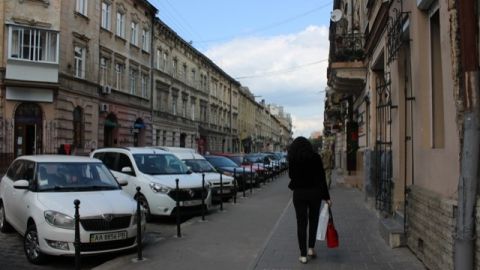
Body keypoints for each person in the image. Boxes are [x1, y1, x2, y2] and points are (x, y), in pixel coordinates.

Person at [288, 136, 331, 264]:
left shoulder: (293, 159)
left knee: (301, 223)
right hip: (314, 193)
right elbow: (322, 178)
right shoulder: (316, 157)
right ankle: (311, 248)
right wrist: (327, 197)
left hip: (299, 194)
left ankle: (303, 255)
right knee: (313, 220)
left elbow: (291, 176)